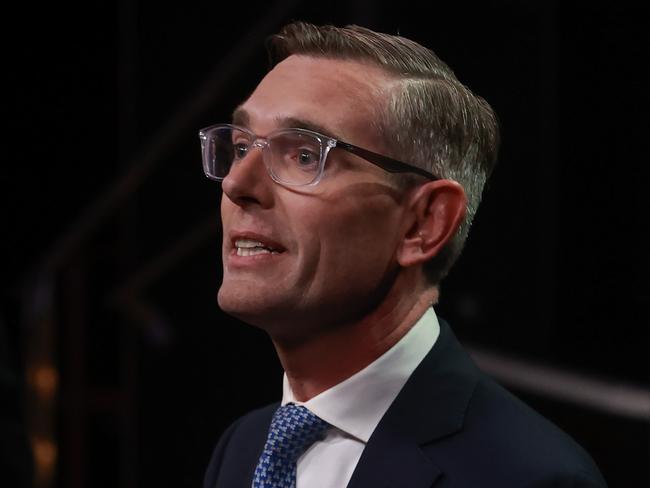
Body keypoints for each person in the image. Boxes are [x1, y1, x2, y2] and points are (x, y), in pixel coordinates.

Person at [200, 21, 606, 488]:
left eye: (305, 155)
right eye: (241, 147)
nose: (236, 184)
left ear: (424, 222)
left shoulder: (530, 476)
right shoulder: (243, 446)